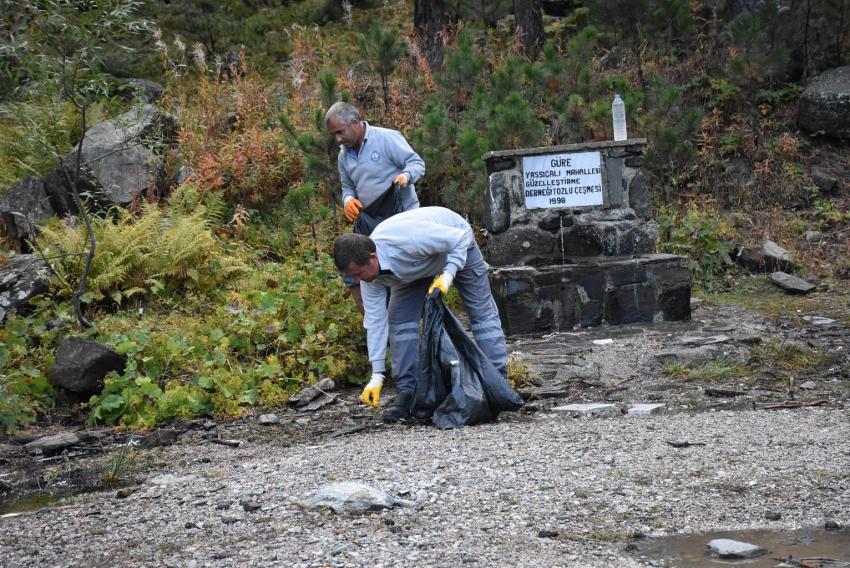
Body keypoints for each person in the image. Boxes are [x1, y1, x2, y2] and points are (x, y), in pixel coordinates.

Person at [333, 206, 508, 423]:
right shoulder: (370, 277)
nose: (358, 280)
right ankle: (409, 391)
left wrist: (448, 274)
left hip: (456, 246)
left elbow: (458, 239)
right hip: (413, 268)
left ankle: (497, 382)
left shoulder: (408, 238)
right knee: (399, 321)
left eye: (359, 273)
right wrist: (376, 375)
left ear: (373, 257)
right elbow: (376, 322)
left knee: (482, 314)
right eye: (352, 276)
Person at [325, 101, 425, 314]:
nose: (338, 139)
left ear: (354, 123)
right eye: (334, 134)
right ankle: (377, 321)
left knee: (401, 270)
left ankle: (416, 317)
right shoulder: (344, 155)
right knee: (358, 267)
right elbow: (347, 187)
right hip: (371, 222)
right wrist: (348, 201)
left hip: (403, 218)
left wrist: (405, 177)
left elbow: (416, 163)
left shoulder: (386, 138)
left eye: (340, 132)